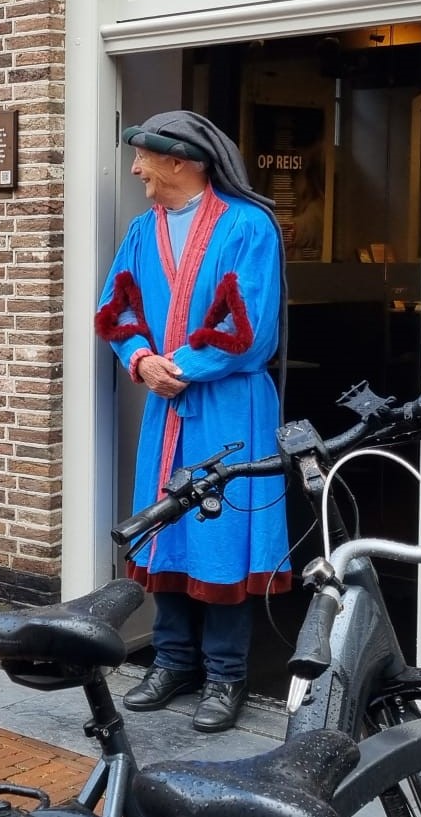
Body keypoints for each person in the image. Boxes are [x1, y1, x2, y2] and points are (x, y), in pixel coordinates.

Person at [95, 110, 288, 734]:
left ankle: (227, 673)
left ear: (181, 161)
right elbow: (116, 307)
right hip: (167, 403)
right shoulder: (139, 232)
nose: (134, 169)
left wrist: (177, 363)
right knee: (166, 527)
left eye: (143, 158)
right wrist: (142, 359)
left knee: (224, 532)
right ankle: (173, 660)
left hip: (232, 409)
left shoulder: (248, 226)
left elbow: (250, 328)